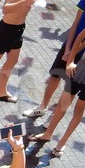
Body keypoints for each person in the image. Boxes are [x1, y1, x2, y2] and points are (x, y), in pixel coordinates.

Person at [21, 0, 85, 121]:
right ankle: (42, 107)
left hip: (82, 56)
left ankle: (54, 117)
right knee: (55, 75)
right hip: (70, 45)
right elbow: (75, 23)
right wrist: (67, 48)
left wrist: (72, 53)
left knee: (70, 88)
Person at [26, 26, 85, 158]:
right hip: (79, 70)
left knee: (78, 111)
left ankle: (61, 143)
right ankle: (48, 134)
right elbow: (80, 38)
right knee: (62, 105)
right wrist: (70, 61)